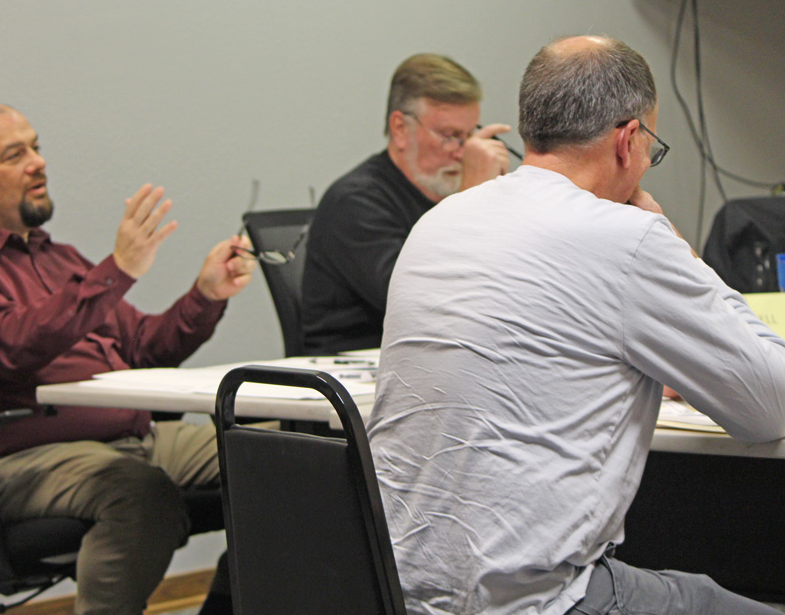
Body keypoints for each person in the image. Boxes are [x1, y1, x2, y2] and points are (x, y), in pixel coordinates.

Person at [367, 36, 785, 614]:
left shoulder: (439, 221)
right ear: (627, 139)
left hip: (395, 590)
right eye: (650, 148)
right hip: (537, 600)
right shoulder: (626, 237)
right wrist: (676, 248)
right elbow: (770, 406)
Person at [0, 103, 255, 615]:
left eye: (36, 148)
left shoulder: (56, 257)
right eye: (15, 154)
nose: (38, 163)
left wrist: (206, 295)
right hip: (16, 465)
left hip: (134, 440)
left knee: (279, 451)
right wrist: (117, 270)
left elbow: (147, 348)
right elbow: (10, 345)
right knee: (139, 492)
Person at [300, 53, 511, 355]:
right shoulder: (355, 202)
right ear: (400, 129)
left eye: (470, 135)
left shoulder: (445, 196)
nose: (463, 153)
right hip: (354, 375)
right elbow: (421, 303)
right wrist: (470, 200)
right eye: (450, 136)